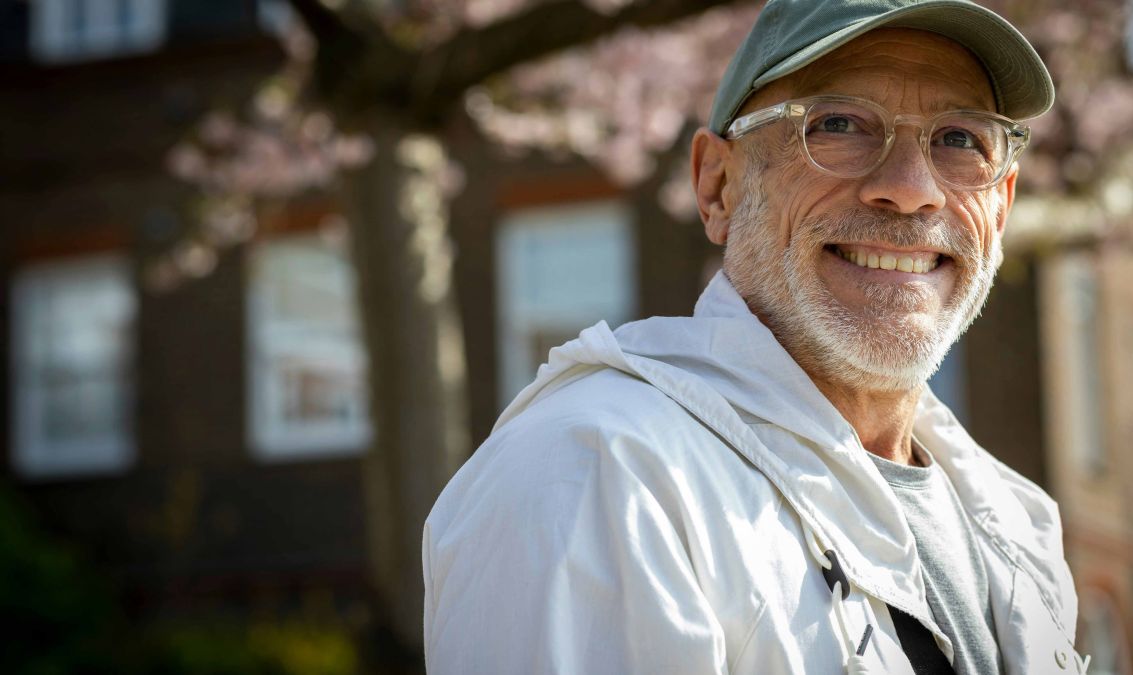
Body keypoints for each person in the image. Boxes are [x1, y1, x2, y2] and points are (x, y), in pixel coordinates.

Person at [423, 0, 1087, 673]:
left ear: (1001, 206)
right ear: (717, 186)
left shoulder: (1015, 521)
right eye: (838, 124)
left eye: (959, 139)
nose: (911, 190)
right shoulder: (602, 476)